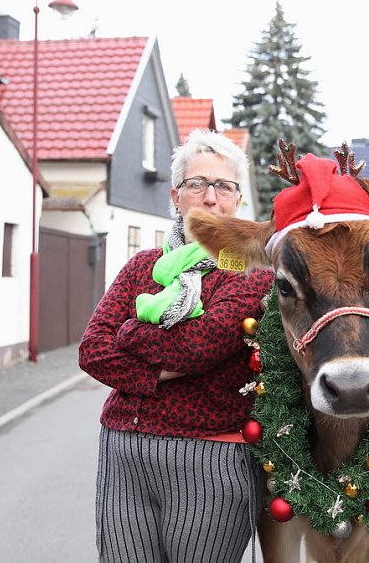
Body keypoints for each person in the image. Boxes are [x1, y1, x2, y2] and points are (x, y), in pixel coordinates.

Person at [79, 129, 274, 563]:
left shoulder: (251, 272)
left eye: (223, 186)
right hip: (124, 451)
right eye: (197, 184)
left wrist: (131, 332)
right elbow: (92, 350)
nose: (210, 197)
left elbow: (200, 347)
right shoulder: (143, 266)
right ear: (176, 196)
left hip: (211, 458)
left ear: (237, 200)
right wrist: (159, 371)